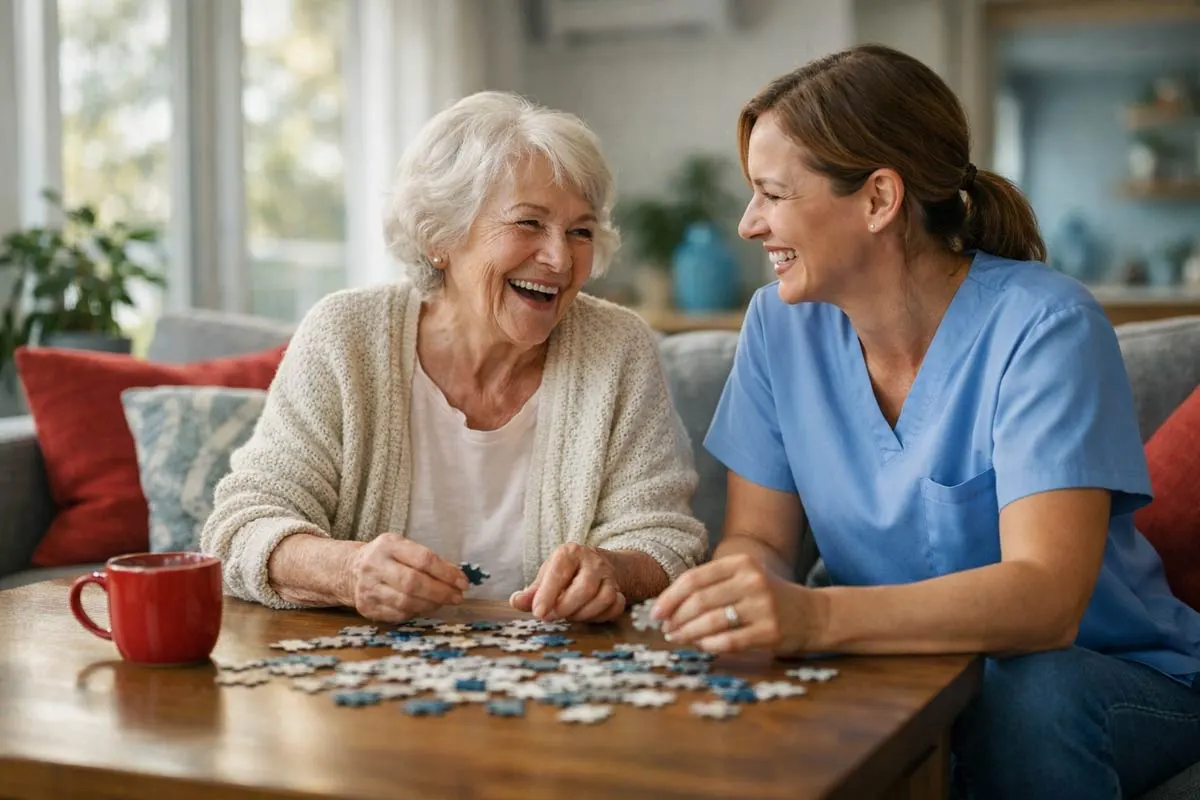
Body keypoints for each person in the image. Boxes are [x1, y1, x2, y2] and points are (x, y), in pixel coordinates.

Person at [650, 44, 1200, 799]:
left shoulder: (1045, 325)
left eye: (772, 194)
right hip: (889, 668)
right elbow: (761, 539)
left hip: (1107, 673)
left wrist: (811, 619)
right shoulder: (778, 327)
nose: (749, 224)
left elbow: (1045, 601)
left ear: (879, 199)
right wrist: (738, 598)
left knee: (1024, 697)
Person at [202, 91, 706, 626]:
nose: (560, 258)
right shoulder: (346, 335)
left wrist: (615, 571)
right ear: (440, 234)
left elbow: (665, 539)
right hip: (359, 685)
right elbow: (239, 528)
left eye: (580, 231)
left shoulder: (618, 346)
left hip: (559, 685)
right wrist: (348, 570)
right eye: (529, 224)